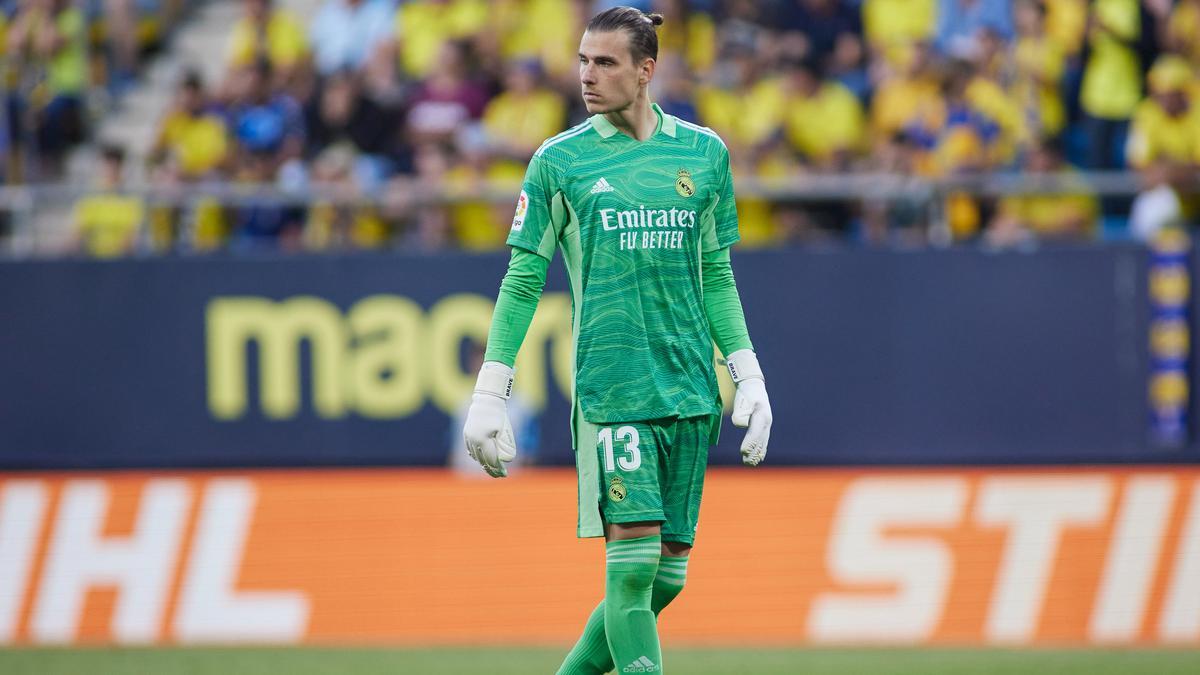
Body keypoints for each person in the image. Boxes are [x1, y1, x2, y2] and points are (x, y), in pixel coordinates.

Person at [460, 7, 772, 674]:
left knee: (666, 579)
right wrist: (492, 388)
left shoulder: (704, 154)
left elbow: (716, 271)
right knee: (629, 573)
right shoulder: (559, 161)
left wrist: (747, 372)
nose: (588, 76)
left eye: (605, 62)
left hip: (691, 388)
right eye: (582, 61)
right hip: (614, 388)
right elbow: (522, 279)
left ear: (646, 69)